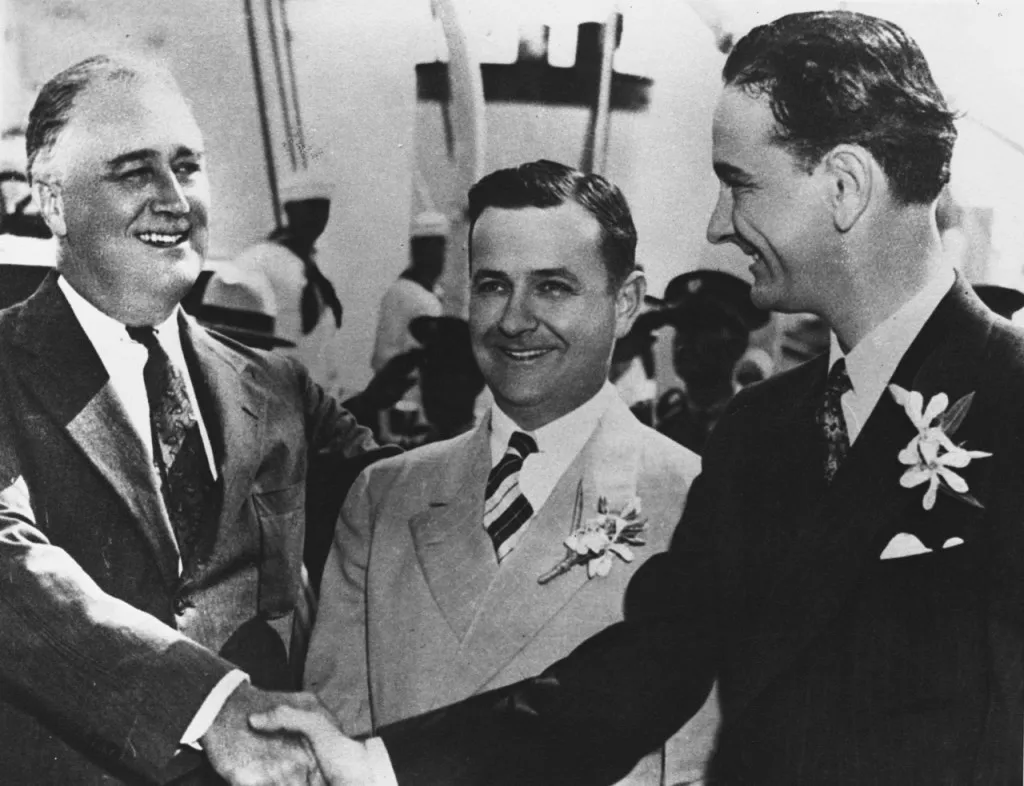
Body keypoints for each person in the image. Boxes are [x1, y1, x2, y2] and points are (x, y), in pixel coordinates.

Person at [252, 11, 1024, 785]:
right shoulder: (761, 432)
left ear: (846, 187)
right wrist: (381, 764)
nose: (720, 225)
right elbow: (642, 674)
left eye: (738, 185)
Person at [0, 54, 396, 785]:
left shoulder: (277, 386)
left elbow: (406, 495)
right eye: (133, 171)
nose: (173, 198)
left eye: (187, 166)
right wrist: (208, 705)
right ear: (53, 202)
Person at [302, 160, 717, 786]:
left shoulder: (696, 501)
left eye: (552, 287)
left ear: (626, 302)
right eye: (494, 286)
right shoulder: (384, 497)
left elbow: (702, 768)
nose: (515, 320)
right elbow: (333, 750)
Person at [232, 171, 344, 390]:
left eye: (323, 207)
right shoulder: (257, 261)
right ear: (289, 209)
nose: (317, 216)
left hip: (315, 397)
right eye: (309, 207)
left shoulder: (315, 266)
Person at [655, 270, 769, 453]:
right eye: (680, 326)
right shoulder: (665, 426)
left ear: (737, 344)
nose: (684, 340)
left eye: (701, 326)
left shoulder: (758, 433)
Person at [370, 210, 447, 446]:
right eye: (432, 248)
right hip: (403, 413)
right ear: (417, 250)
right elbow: (384, 359)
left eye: (440, 248)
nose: (439, 257)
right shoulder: (406, 295)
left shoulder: (426, 294)